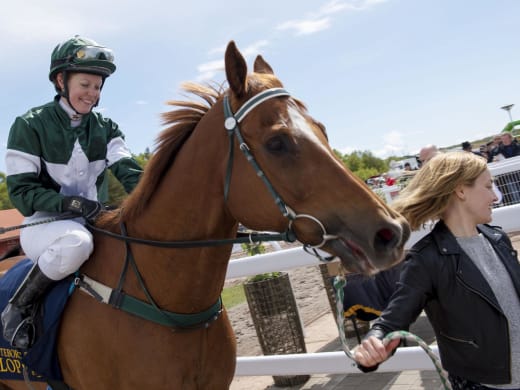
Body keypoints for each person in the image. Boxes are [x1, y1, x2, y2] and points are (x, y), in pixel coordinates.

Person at [2, 35, 143, 349]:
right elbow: (23, 194)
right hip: (44, 225)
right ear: (61, 80)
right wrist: (71, 203)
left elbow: (129, 171)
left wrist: (153, 197)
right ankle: (18, 307)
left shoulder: (107, 128)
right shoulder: (28, 125)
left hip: (95, 219)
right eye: (85, 84)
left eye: (97, 86)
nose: (92, 94)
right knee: (77, 243)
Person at [353, 152, 520, 389]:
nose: (495, 197)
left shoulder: (499, 238)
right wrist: (374, 343)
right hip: (483, 384)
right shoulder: (426, 259)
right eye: (488, 186)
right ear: (461, 191)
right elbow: (391, 322)